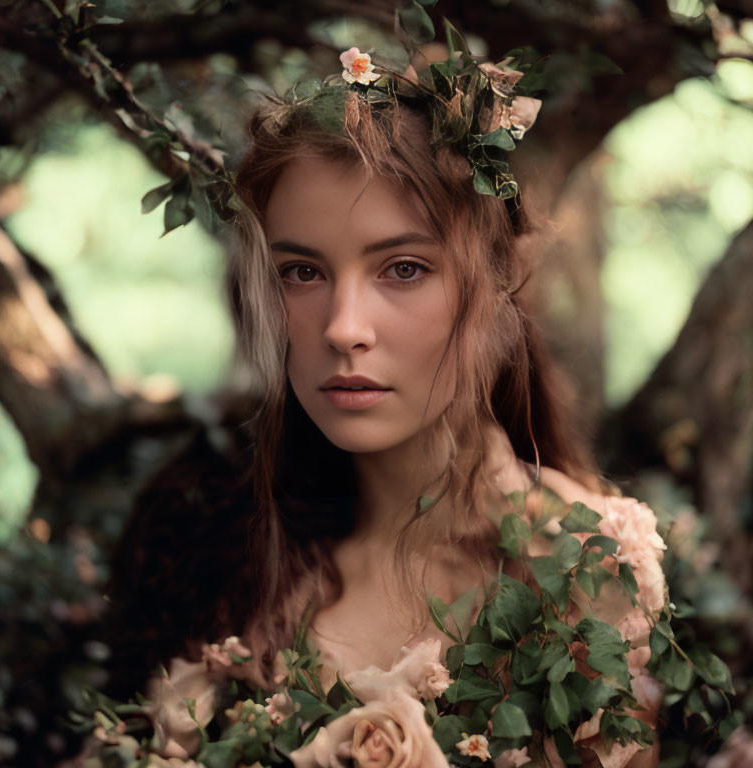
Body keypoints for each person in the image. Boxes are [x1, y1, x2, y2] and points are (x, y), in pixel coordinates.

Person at [104, 47, 666, 768]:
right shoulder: (208, 535)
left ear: (495, 284)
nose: (343, 327)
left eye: (404, 268)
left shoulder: (583, 565)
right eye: (301, 272)